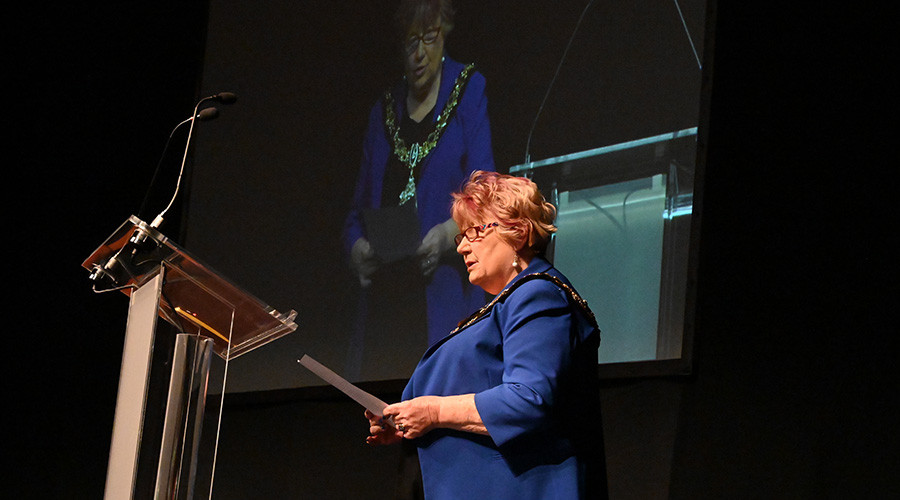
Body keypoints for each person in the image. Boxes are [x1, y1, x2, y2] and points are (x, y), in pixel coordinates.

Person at [365, 171, 607, 499]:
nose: (463, 246)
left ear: (519, 232)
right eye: (460, 236)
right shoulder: (506, 303)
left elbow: (527, 400)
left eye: (475, 231)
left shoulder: (536, 294)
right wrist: (406, 424)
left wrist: (434, 413)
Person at [343, 0, 495, 378]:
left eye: (429, 38)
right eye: (410, 42)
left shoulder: (468, 89)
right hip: (383, 307)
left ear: (445, 32)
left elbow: (486, 190)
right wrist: (356, 248)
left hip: (441, 299)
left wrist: (447, 235)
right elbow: (355, 214)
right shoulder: (383, 112)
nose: (420, 54)